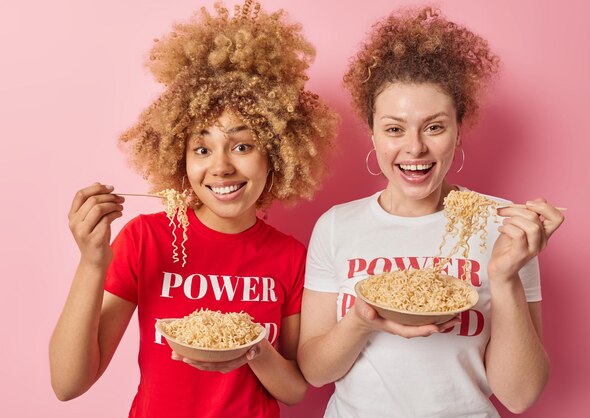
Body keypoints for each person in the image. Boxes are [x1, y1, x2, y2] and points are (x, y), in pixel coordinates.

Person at [49, 1, 338, 417]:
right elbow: (67, 383)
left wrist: (253, 349)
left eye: (242, 145)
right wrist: (92, 261)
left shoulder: (291, 257)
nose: (220, 167)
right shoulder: (146, 238)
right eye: (202, 148)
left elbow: (293, 390)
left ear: (274, 154)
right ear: (179, 159)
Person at [297, 7, 564, 417]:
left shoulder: (502, 226)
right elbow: (315, 373)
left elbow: (519, 395)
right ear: (372, 133)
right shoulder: (337, 225)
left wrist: (504, 275)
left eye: (434, 127)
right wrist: (362, 320)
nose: (415, 147)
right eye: (394, 128)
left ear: (459, 130)